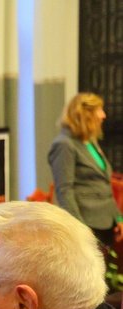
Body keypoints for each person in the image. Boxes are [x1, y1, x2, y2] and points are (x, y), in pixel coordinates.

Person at [48, 92, 123, 249]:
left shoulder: (89, 141)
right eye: (99, 110)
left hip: (105, 222)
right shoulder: (64, 145)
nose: (103, 115)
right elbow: (64, 191)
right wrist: (79, 228)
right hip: (86, 224)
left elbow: (104, 186)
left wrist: (118, 218)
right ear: (84, 114)